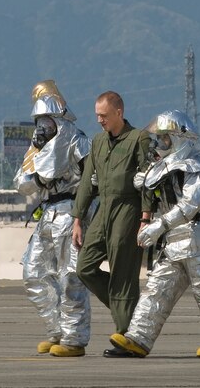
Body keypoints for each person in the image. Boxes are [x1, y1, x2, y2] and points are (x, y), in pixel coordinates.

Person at [109, 109, 200, 359]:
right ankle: (138, 338)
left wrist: (157, 226)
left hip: (195, 241)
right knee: (156, 291)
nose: (160, 143)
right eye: (160, 138)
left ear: (178, 139)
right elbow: (148, 189)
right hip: (173, 243)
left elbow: (189, 207)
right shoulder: (164, 169)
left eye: (165, 138)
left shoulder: (195, 170)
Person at [14, 80, 93, 357]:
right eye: (39, 122)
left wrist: (83, 217)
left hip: (72, 213)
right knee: (33, 273)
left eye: (46, 121)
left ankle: (74, 338)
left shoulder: (79, 141)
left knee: (70, 276)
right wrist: (35, 172)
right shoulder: (38, 148)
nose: (42, 127)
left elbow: (94, 181)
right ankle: (57, 330)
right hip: (47, 213)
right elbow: (21, 183)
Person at [71, 91, 152, 357]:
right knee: (84, 267)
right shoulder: (97, 142)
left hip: (128, 209)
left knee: (123, 273)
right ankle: (131, 311)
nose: (99, 120)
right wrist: (77, 219)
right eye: (96, 116)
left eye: (103, 116)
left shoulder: (138, 139)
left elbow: (148, 180)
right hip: (103, 208)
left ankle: (127, 335)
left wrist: (146, 218)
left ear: (119, 112)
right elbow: (86, 182)